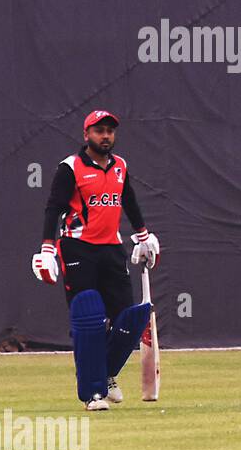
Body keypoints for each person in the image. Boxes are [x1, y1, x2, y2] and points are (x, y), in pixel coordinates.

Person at [32, 110, 159, 411]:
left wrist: (143, 236)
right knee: (88, 318)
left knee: (129, 318)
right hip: (78, 248)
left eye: (110, 131)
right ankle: (93, 393)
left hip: (111, 249)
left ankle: (107, 373)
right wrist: (47, 249)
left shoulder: (120, 166)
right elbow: (53, 208)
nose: (106, 136)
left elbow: (128, 201)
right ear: (86, 134)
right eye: (99, 131)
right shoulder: (71, 168)